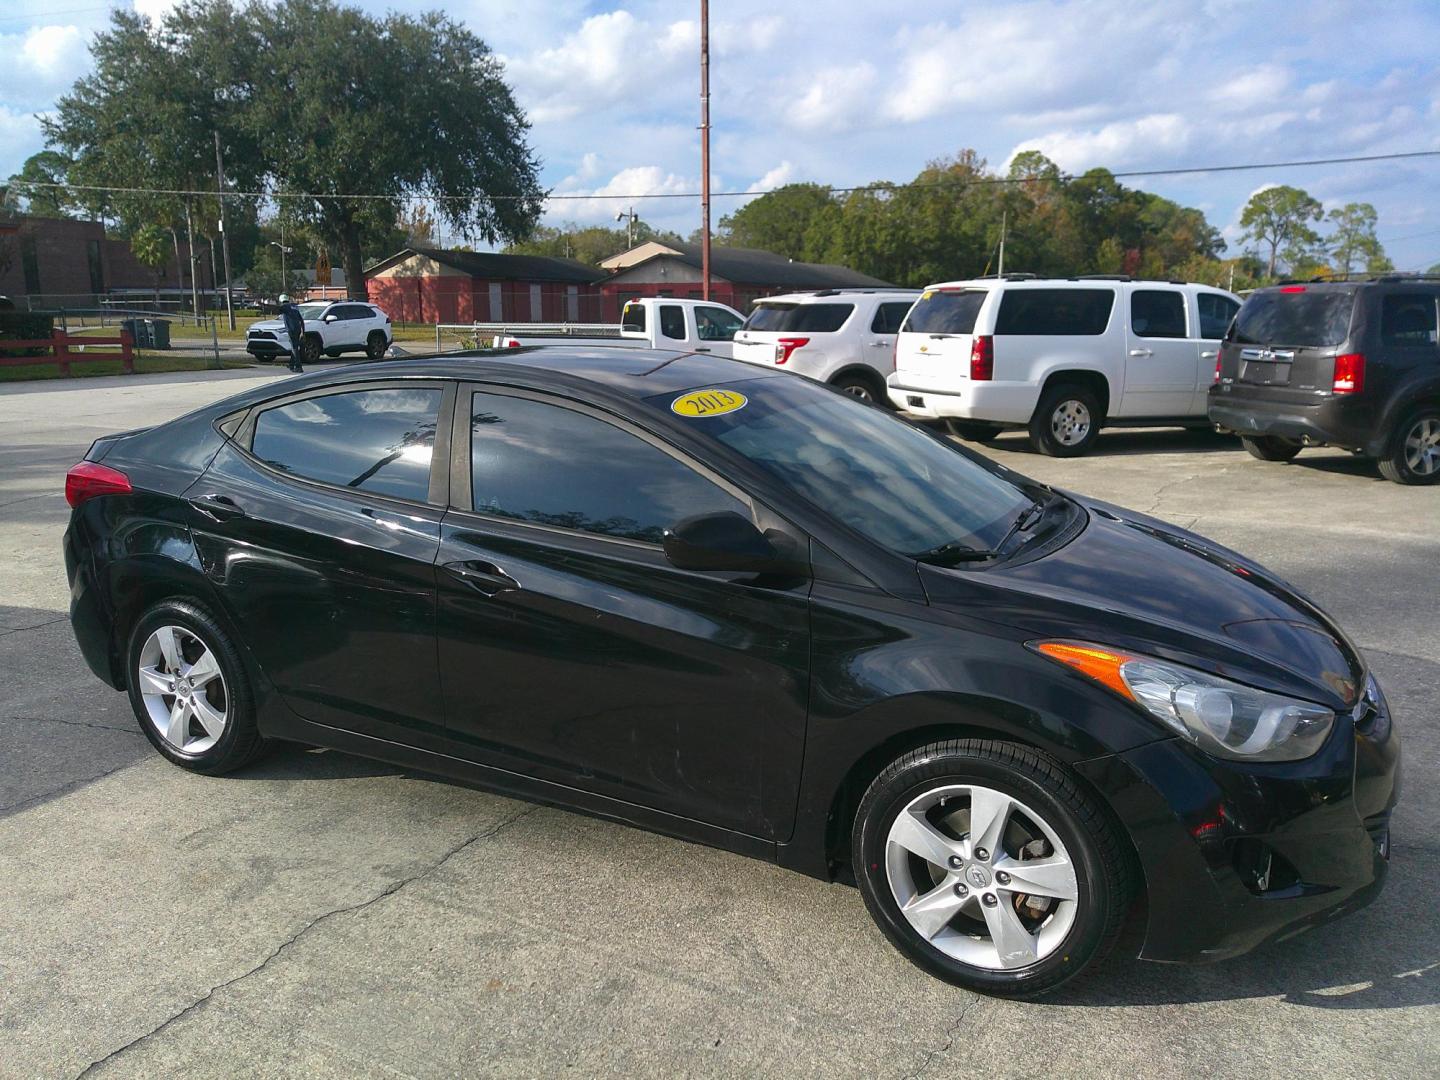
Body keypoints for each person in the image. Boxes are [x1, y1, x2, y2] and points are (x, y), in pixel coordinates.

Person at [278, 294, 306, 373]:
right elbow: (301, 320)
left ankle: (298, 366)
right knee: (295, 347)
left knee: (294, 348)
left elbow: (275, 309)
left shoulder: (284, 306)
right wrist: (303, 332)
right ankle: (291, 364)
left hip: (291, 329)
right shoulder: (294, 306)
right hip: (298, 329)